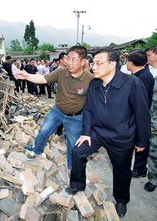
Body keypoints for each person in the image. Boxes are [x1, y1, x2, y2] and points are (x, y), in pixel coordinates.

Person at [65, 49, 151, 217]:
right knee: (78, 151)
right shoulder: (95, 84)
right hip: (97, 132)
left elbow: (142, 114)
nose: (93, 67)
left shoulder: (132, 84)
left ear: (112, 64)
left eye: (98, 63)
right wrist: (86, 133)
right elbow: (88, 109)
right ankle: (77, 184)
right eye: (93, 63)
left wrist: (142, 141)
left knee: (121, 170)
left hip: (121, 136)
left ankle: (121, 200)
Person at [14, 46, 93, 169]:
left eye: (73, 59)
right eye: (68, 59)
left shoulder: (89, 79)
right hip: (57, 112)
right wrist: (27, 76)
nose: (69, 63)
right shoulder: (61, 72)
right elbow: (43, 78)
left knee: (73, 145)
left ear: (83, 62)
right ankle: (37, 150)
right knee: (43, 132)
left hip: (75, 117)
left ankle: (72, 168)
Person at [126, 50, 154, 178]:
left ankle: (140, 169)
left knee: (141, 143)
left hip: (140, 115)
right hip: (136, 114)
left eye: (127, 61)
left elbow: (143, 102)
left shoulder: (143, 77)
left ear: (131, 63)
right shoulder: (139, 75)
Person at [144, 45, 157, 192]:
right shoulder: (149, 72)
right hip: (153, 122)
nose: (147, 58)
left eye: (149, 55)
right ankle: (153, 179)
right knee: (153, 153)